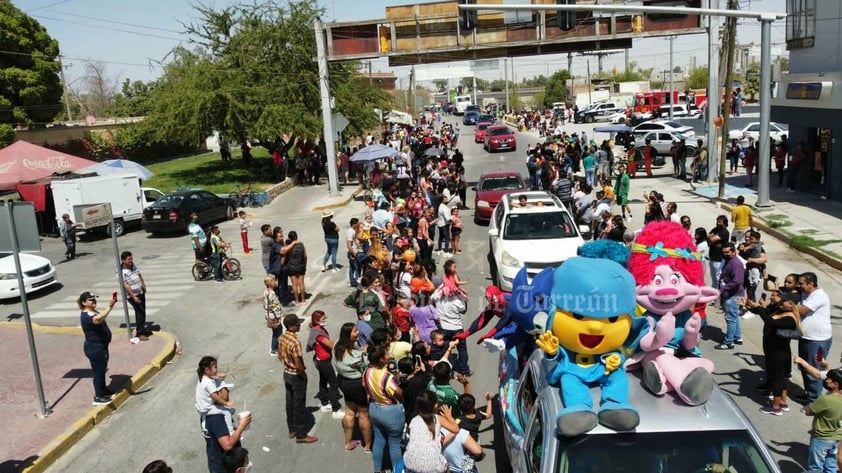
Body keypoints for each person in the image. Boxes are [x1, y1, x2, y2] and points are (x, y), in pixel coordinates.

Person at [746, 290, 800, 415]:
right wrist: (750, 306)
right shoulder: (781, 311)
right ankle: (783, 402)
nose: (779, 302)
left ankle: (775, 408)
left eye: (782, 301)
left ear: (791, 303)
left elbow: (772, 322)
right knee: (781, 378)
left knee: (777, 380)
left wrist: (759, 310)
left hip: (779, 354)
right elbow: (766, 313)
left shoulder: (790, 319)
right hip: (774, 351)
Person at [363, 345, 404, 473]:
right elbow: (397, 392)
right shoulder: (386, 377)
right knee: (395, 444)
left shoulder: (367, 371)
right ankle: (398, 470)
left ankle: (378, 469)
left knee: (379, 439)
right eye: (387, 354)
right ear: (381, 360)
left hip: (374, 408)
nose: (389, 356)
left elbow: (365, 387)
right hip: (390, 411)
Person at [278, 313, 318, 443]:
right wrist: (303, 375)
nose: (299, 325)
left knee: (289, 402)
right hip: (296, 375)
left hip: (286, 373)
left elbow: (280, 355)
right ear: (291, 326)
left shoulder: (282, 337)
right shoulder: (295, 342)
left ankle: (292, 428)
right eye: (297, 324)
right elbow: (298, 363)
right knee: (299, 404)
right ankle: (301, 435)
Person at [333, 322, 373, 452]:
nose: (358, 333)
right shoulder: (358, 356)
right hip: (356, 385)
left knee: (349, 410)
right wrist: (364, 353)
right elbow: (365, 367)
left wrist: (359, 351)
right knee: (363, 413)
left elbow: (348, 357)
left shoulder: (337, 347)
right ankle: (367, 445)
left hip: (343, 382)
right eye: (355, 331)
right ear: (348, 335)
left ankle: (348, 443)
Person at [797, 272, 833, 405]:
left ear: (811, 284)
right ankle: (809, 393)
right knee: (805, 368)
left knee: (815, 370)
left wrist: (789, 305)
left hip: (818, 341)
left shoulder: (819, 296)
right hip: (807, 337)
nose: (798, 286)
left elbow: (802, 311)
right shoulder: (807, 294)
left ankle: (814, 401)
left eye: (801, 283)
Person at [403, 390, 460, 473]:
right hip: (433, 465)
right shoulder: (437, 418)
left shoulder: (414, 420)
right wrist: (449, 417)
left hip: (410, 462)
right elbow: (456, 429)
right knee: (447, 468)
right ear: (436, 405)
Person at [203, 383, 251, 473]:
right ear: (216, 393)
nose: (228, 391)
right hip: (225, 467)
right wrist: (241, 426)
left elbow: (225, 433)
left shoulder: (213, 411)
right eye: (225, 389)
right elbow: (227, 445)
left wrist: (238, 428)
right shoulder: (216, 417)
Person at [79, 291, 117, 405]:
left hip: (101, 346)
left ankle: (103, 390)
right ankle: (98, 397)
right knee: (98, 372)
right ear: (84, 303)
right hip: (95, 348)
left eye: (94, 299)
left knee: (102, 369)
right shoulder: (86, 316)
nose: (94, 301)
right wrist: (110, 307)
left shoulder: (92, 312)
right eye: (91, 300)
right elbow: (98, 319)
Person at [306, 310, 345, 419]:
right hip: (323, 362)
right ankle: (336, 409)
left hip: (319, 360)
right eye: (323, 319)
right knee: (333, 383)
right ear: (317, 320)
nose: (325, 320)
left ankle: (324, 402)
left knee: (323, 380)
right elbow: (331, 345)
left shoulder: (316, 329)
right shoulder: (319, 335)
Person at [804, 369, 842, 473]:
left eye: (828, 379)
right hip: (836, 438)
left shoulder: (825, 399)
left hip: (821, 438)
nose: (825, 380)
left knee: (815, 468)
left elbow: (808, 412)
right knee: (830, 466)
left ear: (835, 384)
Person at [715, 242, 744, 350]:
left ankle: (728, 342)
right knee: (734, 316)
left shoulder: (736, 264)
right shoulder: (728, 261)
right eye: (723, 252)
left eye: (727, 252)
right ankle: (737, 337)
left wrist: (722, 290)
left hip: (734, 295)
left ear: (733, 251)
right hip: (730, 294)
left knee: (730, 318)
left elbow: (737, 281)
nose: (725, 254)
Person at [120, 251, 151, 341]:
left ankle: (143, 329)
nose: (131, 260)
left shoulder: (133, 265)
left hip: (140, 292)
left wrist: (143, 284)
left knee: (142, 311)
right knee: (139, 312)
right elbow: (125, 285)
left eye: (131, 258)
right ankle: (140, 333)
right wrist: (133, 296)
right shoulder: (121, 271)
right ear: (123, 260)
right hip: (133, 295)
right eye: (129, 259)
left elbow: (139, 274)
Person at [281, 231, 308, 305]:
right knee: (301, 284)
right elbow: (305, 256)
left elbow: (284, 254)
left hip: (291, 267)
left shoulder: (288, 246)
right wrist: (304, 265)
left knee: (294, 284)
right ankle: (303, 300)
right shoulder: (301, 245)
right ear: (296, 236)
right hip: (300, 266)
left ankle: (296, 301)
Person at [707, 215, 730, 290]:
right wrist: (711, 237)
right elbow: (708, 236)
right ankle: (713, 294)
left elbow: (712, 239)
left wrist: (711, 238)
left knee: (718, 279)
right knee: (713, 279)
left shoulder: (724, 232)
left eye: (720, 222)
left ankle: (719, 295)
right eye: (717, 221)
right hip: (712, 257)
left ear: (724, 223)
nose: (718, 223)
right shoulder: (715, 229)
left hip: (719, 260)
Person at [263, 275, 283, 355]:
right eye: (274, 281)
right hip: (274, 315)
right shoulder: (272, 294)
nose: (276, 282)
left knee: (275, 331)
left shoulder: (266, 291)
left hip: (269, 314)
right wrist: (278, 317)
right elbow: (274, 307)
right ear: (270, 283)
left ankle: (274, 348)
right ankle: (275, 349)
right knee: (278, 331)